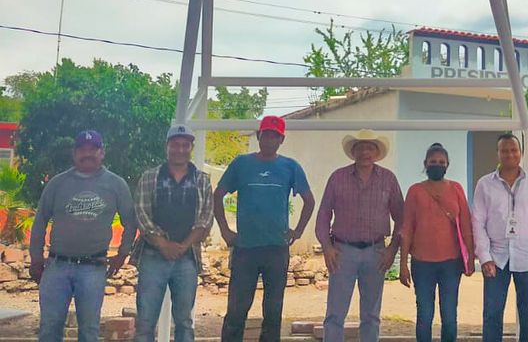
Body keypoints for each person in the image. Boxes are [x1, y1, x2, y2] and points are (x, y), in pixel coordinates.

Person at [28, 130, 138, 342]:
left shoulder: (116, 184)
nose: (87, 154)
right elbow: (40, 220)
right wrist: (36, 258)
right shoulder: (57, 183)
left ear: (102, 153)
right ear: (74, 153)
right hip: (57, 266)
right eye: (82, 150)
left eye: (93, 150)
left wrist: (123, 253)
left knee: (89, 330)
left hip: (93, 267)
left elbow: (130, 222)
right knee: (50, 328)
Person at [214, 115, 315, 342]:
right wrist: (224, 230)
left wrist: (297, 231)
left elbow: (309, 200)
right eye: (265, 134)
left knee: (273, 310)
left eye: (274, 136)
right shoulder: (241, 163)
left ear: (281, 139)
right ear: (259, 136)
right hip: (245, 248)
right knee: (237, 309)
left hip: (276, 249)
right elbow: (218, 195)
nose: (269, 139)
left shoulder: (290, 166)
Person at [316, 130, 404, 342]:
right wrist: (327, 248)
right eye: (361, 147)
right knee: (335, 314)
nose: (365, 152)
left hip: (376, 252)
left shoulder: (388, 179)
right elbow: (323, 215)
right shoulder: (338, 178)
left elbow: (402, 218)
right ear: (353, 151)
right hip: (342, 252)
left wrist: (392, 249)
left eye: (370, 147)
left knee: (371, 315)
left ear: (377, 152)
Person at [131, 124, 214, 342]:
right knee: (146, 321)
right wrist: (163, 245)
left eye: (185, 145)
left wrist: (183, 246)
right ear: (167, 147)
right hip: (152, 256)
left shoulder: (202, 180)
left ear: (191, 148)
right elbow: (141, 214)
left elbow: (205, 219)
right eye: (175, 145)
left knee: (184, 322)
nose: (180, 149)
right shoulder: (150, 177)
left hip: (187, 258)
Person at [472, 133, 528, 342]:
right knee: (492, 314)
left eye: (513, 150)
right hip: (496, 259)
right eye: (504, 150)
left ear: (521, 153)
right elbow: (478, 223)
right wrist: (485, 257)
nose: (509, 154)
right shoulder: (484, 184)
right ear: (498, 154)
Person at [399, 142, 475, 342]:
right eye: (433, 162)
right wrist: (403, 265)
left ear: (448, 164)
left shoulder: (457, 189)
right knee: (424, 315)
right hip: (422, 263)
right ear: (425, 164)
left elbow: (466, 225)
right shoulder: (415, 191)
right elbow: (406, 229)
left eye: (441, 162)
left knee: (449, 316)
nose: (437, 165)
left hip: (451, 263)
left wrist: (471, 256)